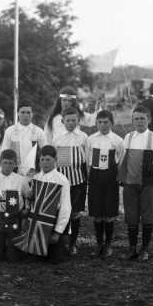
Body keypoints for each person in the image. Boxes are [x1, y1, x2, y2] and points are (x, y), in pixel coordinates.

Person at [118, 106, 153, 261]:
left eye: (142, 118)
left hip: (147, 184)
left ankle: (144, 248)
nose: (139, 121)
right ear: (132, 121)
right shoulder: (128, 137)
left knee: (147, 215)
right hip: (130, 183)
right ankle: (132, 247)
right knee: (131, 215)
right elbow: (123, 160)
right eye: (136, 118)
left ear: (149, 120)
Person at [13, 145, 71, 264]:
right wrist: (27, 199)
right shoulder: (36, 178)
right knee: (33, 258)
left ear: (55, 160)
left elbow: (66, 207)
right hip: (37, 225)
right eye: (42, 159)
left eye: (48, 159)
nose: (45, 163)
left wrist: (58, 232)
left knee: (55, 260)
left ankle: (61, 244)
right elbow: (30, 201)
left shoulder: (61, 180)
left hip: (53, 222)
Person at [86, 110, 124, 258]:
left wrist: (117, 177)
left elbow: (120, 160)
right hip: (95, 177)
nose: (102, 125)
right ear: (96, 123)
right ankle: (99, 243)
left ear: (111, 123)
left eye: (106, 122)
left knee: (109, 213)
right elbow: (87, 159)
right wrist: (90, 178)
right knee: (96, 213)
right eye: (100, 122)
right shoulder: (90, 139)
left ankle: (108, 244)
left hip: (110, 177)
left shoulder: (117, 140)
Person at [52, 107, 88, 255]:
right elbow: (54, 161)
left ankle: (73, 244)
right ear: (63, 121)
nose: (71, 123)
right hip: (62, 181)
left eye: (74, 120)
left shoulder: (84, 137)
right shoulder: (57, 138)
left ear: (78, 121)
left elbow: (87, 158)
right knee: (61, 211)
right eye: (68, 120)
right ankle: (62, 242)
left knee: (75, 213)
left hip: (78, 181)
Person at [0, 149, 30, 262]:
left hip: (14, 218)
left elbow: (28, 196)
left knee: (13, 258)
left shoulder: (21, 180)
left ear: (15, 164)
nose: (8, 166)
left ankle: (11, 248)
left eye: (11, 163)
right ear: (0, 163)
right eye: (5, 162)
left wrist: (27, 208)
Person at [2, 100, 46, 175]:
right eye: (22, 112)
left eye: (28, 112)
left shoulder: (39, 132)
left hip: (34, 173)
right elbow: (4, 152)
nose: (25, 115)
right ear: (18, 113)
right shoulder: (10, 131)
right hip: (14, 172)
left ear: (32, 114)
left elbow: (46, 152)